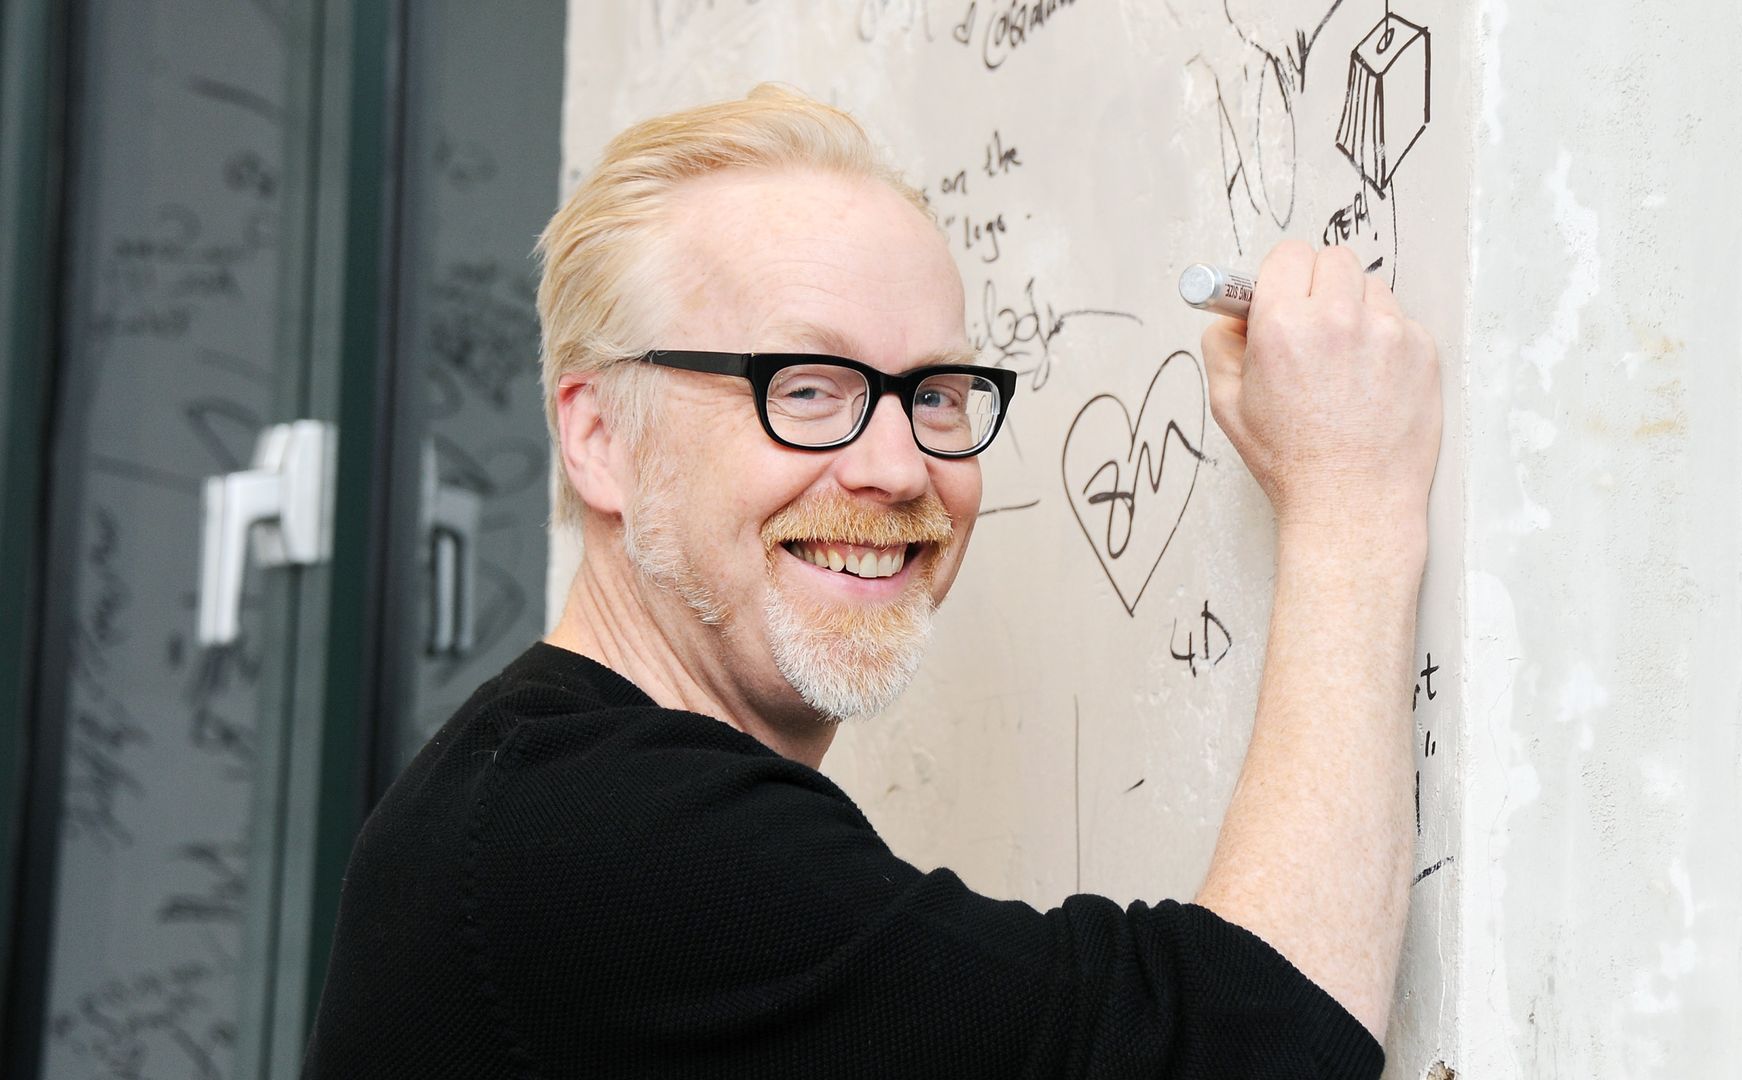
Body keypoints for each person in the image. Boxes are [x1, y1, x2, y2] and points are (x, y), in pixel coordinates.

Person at [304, 84, 1440, 1079]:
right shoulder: (605, 838)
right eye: (804, 388)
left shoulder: (531, 794)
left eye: (937, 393)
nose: (900, 468)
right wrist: (1351, 497)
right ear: (599, 437)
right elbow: (1242, 1052)